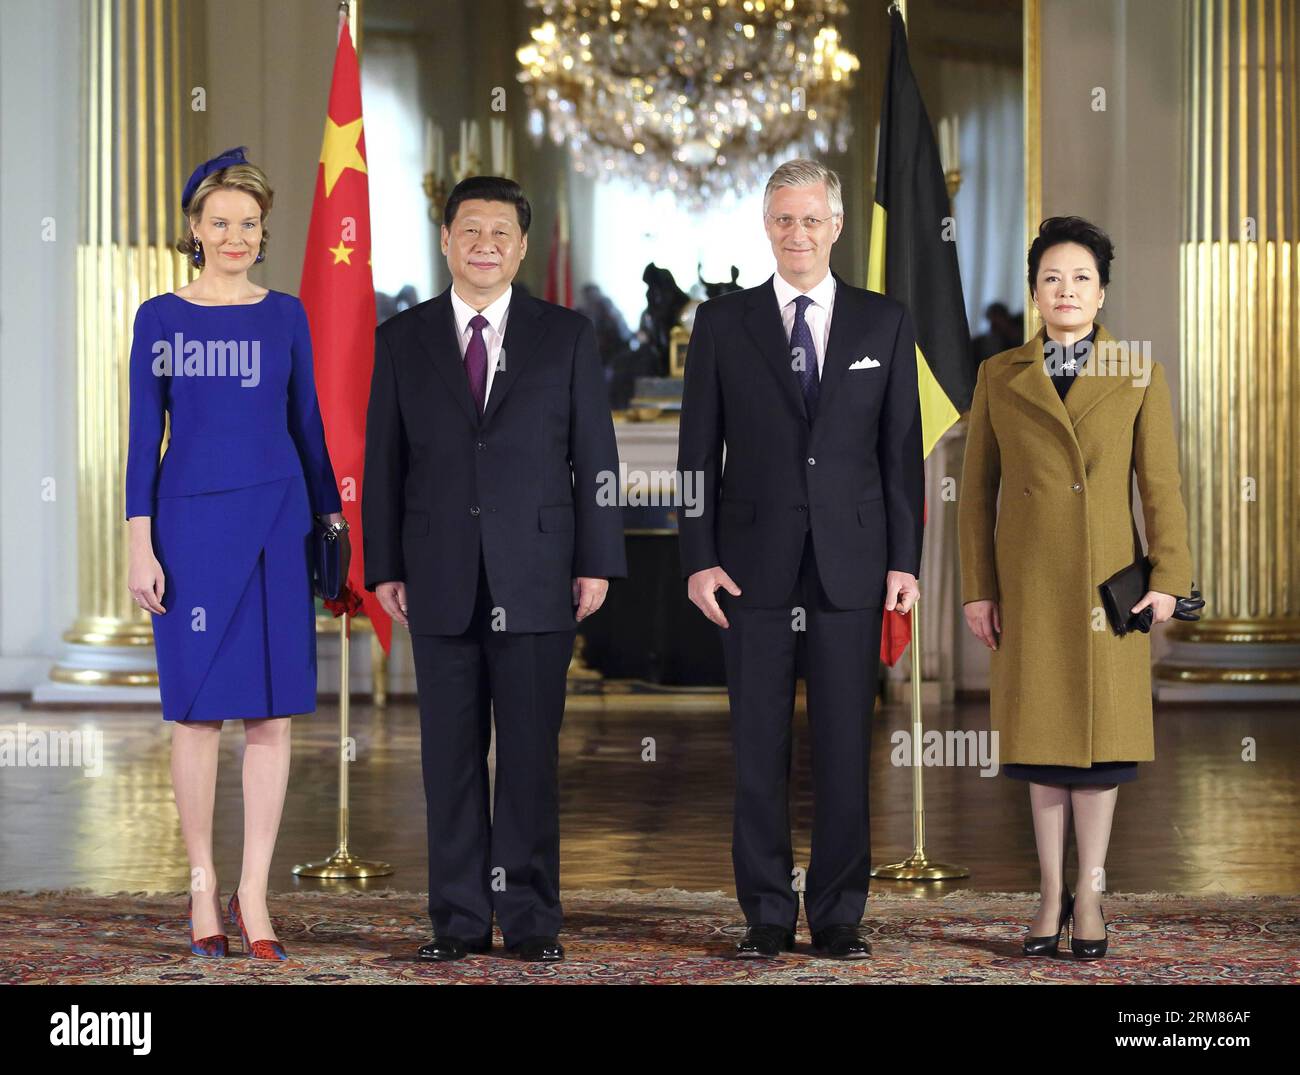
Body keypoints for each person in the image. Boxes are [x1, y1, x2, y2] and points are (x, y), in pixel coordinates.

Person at [363, 176, 627, 963]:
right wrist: (384, 566)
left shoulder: (567, 335)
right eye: (469, 229)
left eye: (501, 232)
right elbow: (383, 463)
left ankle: (534, 919)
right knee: (447, 759)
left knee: (529, 761)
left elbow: (596, 458)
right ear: (445, 241)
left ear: (521, 247)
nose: (485, 243)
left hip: (540, 574)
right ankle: (458, 919)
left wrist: (598, 559)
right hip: (436, 573)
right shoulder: (401, 338)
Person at [676, 159, 923, 960]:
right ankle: (768, 913)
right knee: (758, 746)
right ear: (766, 226)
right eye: (784, 219)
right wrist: (697, 557)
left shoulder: (884, 322)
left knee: (846, 744)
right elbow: (693, 456)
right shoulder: (722, 323)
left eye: (813, 219)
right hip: (750, 565)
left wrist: (905, 561)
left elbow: (900, 458)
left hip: (855, 563)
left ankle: (841, 912)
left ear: (837, 227)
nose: (798, 234)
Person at [125, 147, 344, 960]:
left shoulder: (286, 314)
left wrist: (331, 524)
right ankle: (201, 882)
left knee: (271, 712)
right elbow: (145, 436)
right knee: (196, 712)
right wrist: (137, 541)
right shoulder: (160, 316)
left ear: (262, 231)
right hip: (188, 530)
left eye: (248, 223)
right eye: (220, 222)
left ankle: (254, 891)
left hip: (279, 524)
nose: (235, 235)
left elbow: (309, 430)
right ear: (194, 228)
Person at [958, 216, 1194, 960]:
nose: (1066, 290)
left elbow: (1161, 489)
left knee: (1099, 755)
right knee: (1044, 752)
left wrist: (1170, 580)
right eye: (1052, 278)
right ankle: (1049, 892)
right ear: (1034, 291)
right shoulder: (999, 374)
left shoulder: (1137, 373)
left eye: (1081, 278)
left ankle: (1090, 890)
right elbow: (975, 496)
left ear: (1103, 292)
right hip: (1028, 589)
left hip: (1105, 594)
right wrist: (977, 589)